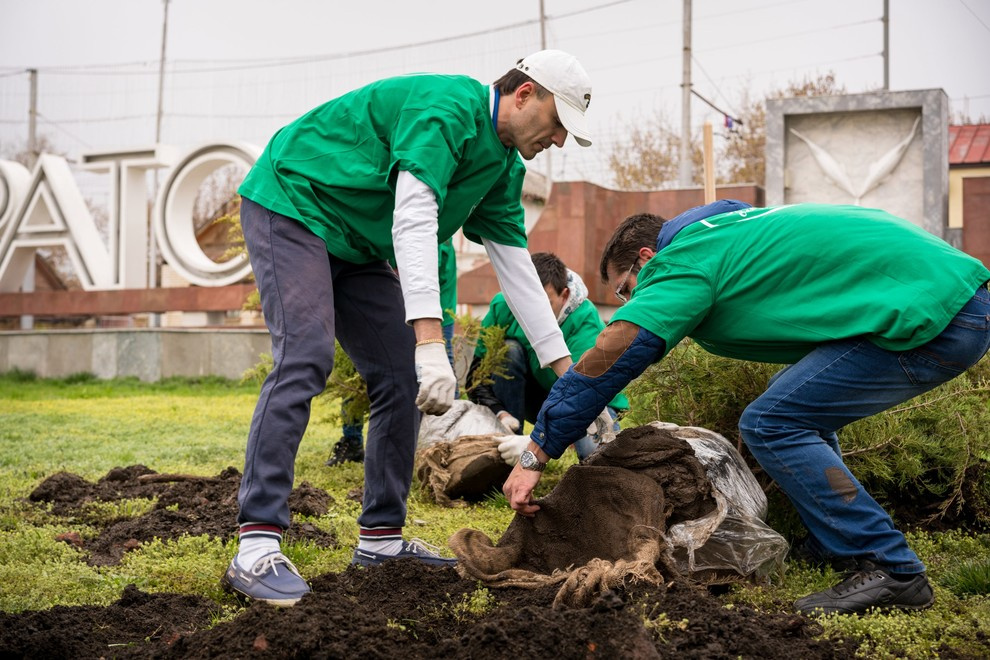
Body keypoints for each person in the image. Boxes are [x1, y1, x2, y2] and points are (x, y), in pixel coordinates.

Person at [221, 49, 596, 607]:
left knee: (400, 378)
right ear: (525, 95)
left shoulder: (502, 164)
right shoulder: (446, 108)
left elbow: (517, 269)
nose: (560, 141)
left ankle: (380, 539)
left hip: (354, 241)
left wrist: (572, 382)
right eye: (559, 123)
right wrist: (429, 340)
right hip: (294, 204)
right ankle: (255, 545)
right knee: (305, 355)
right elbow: (415, 217)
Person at [501, 199, 990, 616]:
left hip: (938, 313)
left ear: (648, 259)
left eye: (627, 290)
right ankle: (832, 539)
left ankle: (891, 567)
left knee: (772, 422)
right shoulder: (724, 230)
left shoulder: (681, 261)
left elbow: (612, 355)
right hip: (948, 296)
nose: (630, 302)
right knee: (798, 406)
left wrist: (536, 452)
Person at [467, 251, 628, 462]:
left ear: (564, 295)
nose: (535, 314)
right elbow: (477, 378)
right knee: (508, 350)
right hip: (537, 396)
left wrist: (538, 441)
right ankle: (509, 454)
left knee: (595, 455)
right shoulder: (504, 305)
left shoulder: (584, 321)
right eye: (528, 304)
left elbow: (580, 393)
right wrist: (500, 414)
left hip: (590, 402)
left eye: (545, 304)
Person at [326, 239, 459, 467]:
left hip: (435, 317)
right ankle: (352, 439)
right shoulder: (394, 225)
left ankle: (447, 448)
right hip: (384, 308)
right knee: (357, 370)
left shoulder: (438, 238)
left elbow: (416, 275)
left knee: (439, 379)